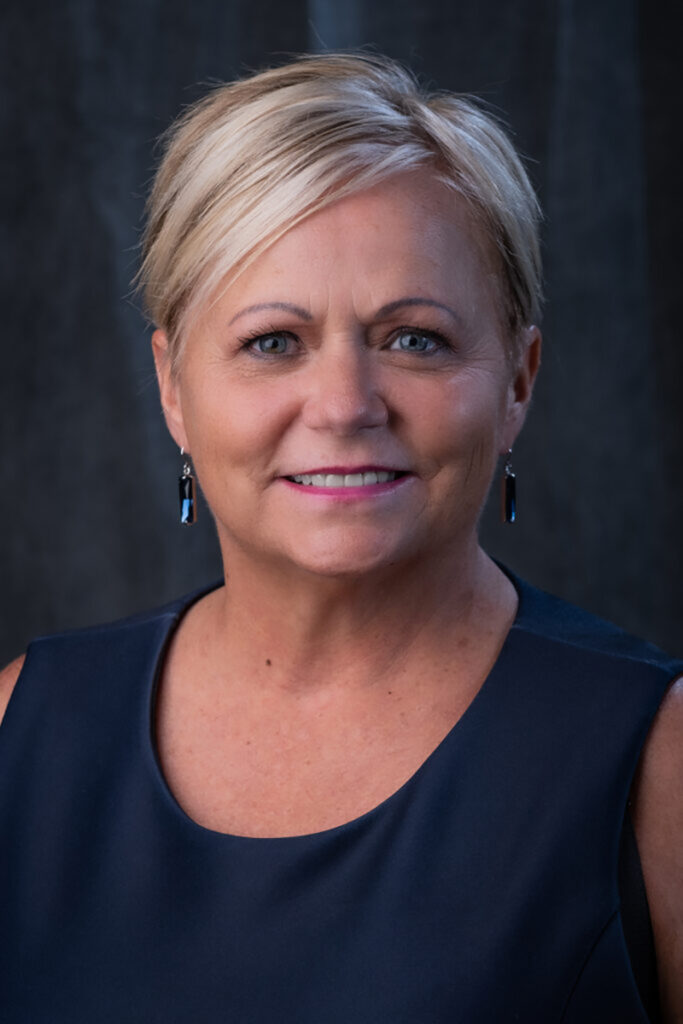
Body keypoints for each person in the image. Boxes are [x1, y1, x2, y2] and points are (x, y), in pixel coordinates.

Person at [0, 52, 681, 1023]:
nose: (344, 405)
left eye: (413, 338)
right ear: (172, 388)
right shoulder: (24, 727)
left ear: (517, 381)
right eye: (272, 341)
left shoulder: (660, 757)